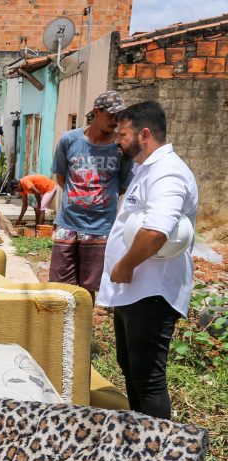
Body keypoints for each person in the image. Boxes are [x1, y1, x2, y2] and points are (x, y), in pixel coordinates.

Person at [97, 101, 199, 420]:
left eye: (123, 133)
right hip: (136, 291)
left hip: (151, 292)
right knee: (131, 368)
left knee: (148, 379)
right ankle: (139, 441)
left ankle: (158, 456)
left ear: (144, 134)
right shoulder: (148, 169)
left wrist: (124, 265)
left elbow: (157, 231)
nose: (117, 140)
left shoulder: (168, 172)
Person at [49, 90, 132, 302]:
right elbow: (61, 177)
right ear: (96, 112)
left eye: (119, 117)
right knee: (60, 289)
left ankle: (81, 332)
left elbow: (123, 185)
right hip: (68, 224)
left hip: (100, 228)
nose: (116, 122)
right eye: (112, 116)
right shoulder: (69, 140)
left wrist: (98, 200)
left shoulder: (120, 148)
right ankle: (62, 332)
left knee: (88, 292)